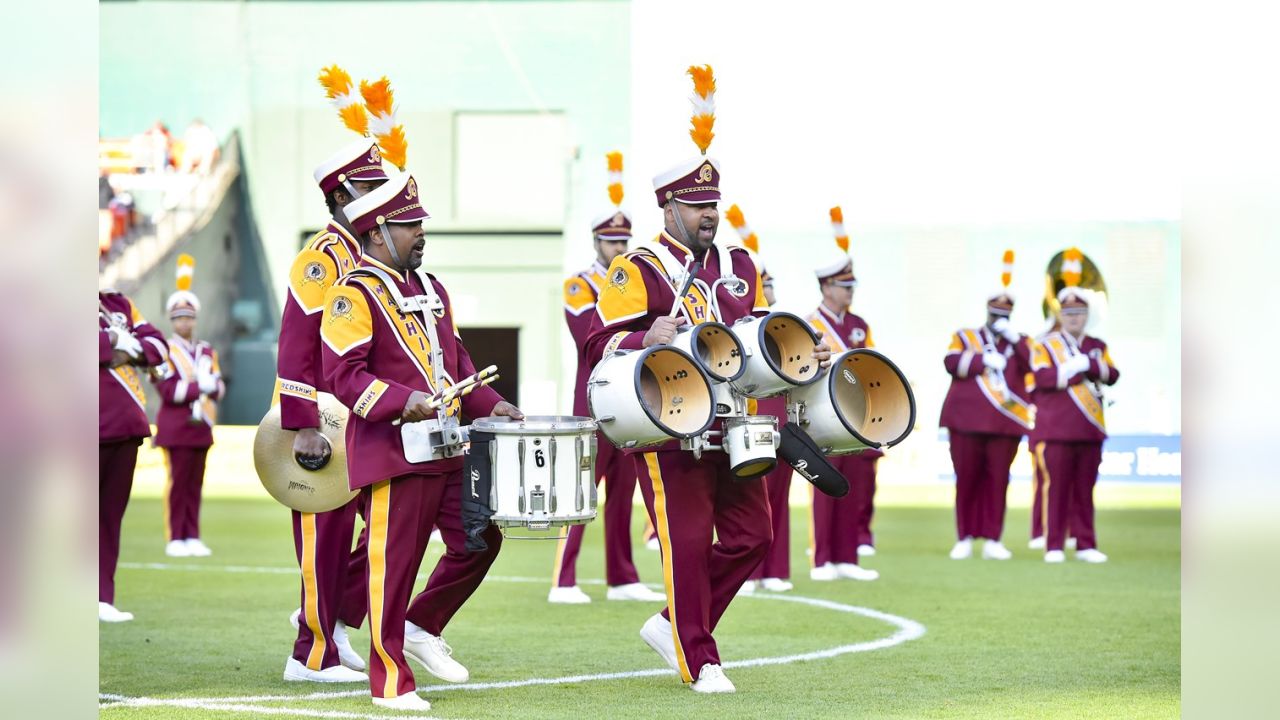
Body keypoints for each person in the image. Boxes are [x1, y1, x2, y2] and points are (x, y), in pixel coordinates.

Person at [585, 66, 831, 693]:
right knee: (688, 543)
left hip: (736, 422)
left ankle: (673, 623)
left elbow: (755, 336)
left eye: (713, 205)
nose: (708, 216)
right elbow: (597, 344)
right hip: (666, 421)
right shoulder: (632, 270)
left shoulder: (739, 264)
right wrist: (646, 337)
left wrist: (801, 354)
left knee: (755, 536)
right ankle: (700, 656)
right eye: (695, 206)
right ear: (666, 206)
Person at [321, 170, 523, 712]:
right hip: (394, 454)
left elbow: (458, 365)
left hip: (449, 449)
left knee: (480, 540)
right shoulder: (351, 295)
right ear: (378, 231)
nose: (420, 233)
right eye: (410, 224)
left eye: (419, 223)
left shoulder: (434, 290)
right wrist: (398, 400)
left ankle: (422, 625)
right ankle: (390, 682)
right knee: (395, 565)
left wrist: (491, 403)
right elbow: (342, 375)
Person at [276, 136, 387, 683]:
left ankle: (333, 622)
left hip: (367, 419)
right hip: (328, 422)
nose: (379, 197)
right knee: (325, 535)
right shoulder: (324, 258)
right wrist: (304, 425)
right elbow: (297, 342)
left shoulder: (367, 254)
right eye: (369, 187)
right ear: (343, 192)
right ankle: (310, 653)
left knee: (382, 532)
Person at [551, 151, 664, 605]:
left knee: (624, 491)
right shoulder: (579, 285)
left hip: (631, 402)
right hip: (592, 401)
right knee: (581, 492)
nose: (619, 249)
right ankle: (562, 580)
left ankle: (622, 576)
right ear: (596, 242)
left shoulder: (634, 285)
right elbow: (589, 337)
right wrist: (641, 331)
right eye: (610, 241)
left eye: (624, 241)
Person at [939, 250, 1033, 561]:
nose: (998, 321)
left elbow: (1034, 365)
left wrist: (1015, 340)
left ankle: (993, 537)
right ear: (987, 313)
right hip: (965, 421)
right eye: (995, 315)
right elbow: (951, 362)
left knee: (998, 481)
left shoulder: (1022, 341)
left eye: (1004, 316)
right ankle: (964, 536)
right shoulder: (966, 337)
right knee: (965, 480)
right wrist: (981, 360)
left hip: (1004, 424)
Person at [804, 207, 881, 581]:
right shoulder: (809, 324)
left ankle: (847, 558)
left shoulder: (859, 325)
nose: (849, 292)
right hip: (820, 414)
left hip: (854, 415)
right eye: (843, 286)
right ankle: (822, 559)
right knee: (825, 484)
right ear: (826, 287)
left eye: (852, 286)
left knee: (853, 484)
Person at [1029, 248, 1119, 564]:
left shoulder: (1097, 346)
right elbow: (1040, 378)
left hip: (1089, 430)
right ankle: (1054, 544)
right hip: (1057, 429)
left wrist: (1090, 365)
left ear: (1086, 316)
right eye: (1068, 315)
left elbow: (1112, 374)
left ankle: (1085, 544)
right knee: (1056, 491)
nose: (1074, 319)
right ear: (1060, 317)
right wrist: (1069, 370)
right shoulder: (1044, 344)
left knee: (1085, 491)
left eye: (1079, 314)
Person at [725, 204, 794, 594]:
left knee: (779, 496)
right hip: (752, 409)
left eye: (769, 285)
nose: (766, 291)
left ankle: (777, 570)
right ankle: (750, 574)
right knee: (754, 495)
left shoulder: (781, 321)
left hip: (778, 411)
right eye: (761, 285)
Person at [99, 289, 170, 622]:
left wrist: (125, 349)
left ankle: (101, 597)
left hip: (125, 426)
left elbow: (158, 346)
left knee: (108, 519)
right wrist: (114, 338)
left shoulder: (118, 304)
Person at [151, 254, 225, 558]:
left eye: (189, 317)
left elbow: (219, 386)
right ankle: (175, 537)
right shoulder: (164, 350)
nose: (185, 322)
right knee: (177, 483)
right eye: (180, 317)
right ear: (172, 321)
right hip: (176, 425)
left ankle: (192, 535)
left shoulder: (207, 350)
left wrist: (211, 386)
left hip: (202, 425)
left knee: (196, 484)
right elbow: (168, 389)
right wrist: (200, 386)